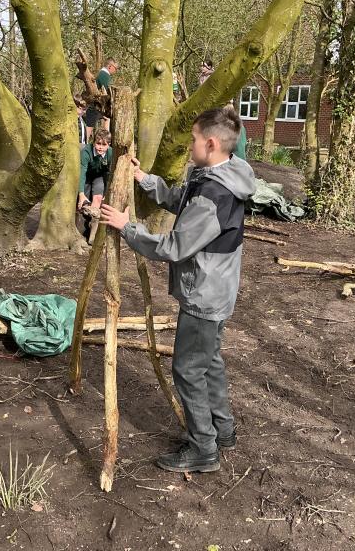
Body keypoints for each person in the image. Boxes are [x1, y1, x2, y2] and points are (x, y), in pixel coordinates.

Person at [100, 106, 256, 473]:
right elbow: (182, 201)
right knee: (209, 360)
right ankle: (222, 430)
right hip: (217, 288)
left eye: (194, 139)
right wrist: (144, 178)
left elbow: (174, 246)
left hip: (205, 294)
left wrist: (127, 227)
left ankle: (203, 447)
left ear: (211, 144)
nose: (189, 145)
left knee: (187, 369)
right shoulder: (223, 173)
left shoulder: (214, 195)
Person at [77, 129, 114, 242]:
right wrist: (81, 194)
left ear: (109, 145)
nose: (100, 147)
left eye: (104, 145)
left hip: (99, 177)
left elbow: (109, 174)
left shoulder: (110, 153)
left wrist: (106, 191)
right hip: (86, 176)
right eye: (98, 143)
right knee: (83, 203)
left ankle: (93, 233)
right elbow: (82, 172)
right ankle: (82, 230)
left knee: (97, 198)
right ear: (93, 142)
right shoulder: (86, 152)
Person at [85, 58, 119, 135]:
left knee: (106, 120)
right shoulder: (104, 75)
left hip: (98, 105)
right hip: (95, 105)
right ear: (110, 66)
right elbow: (108, 91)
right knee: (89, 128)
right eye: (115, 68)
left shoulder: (102, 74)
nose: (116, 71)